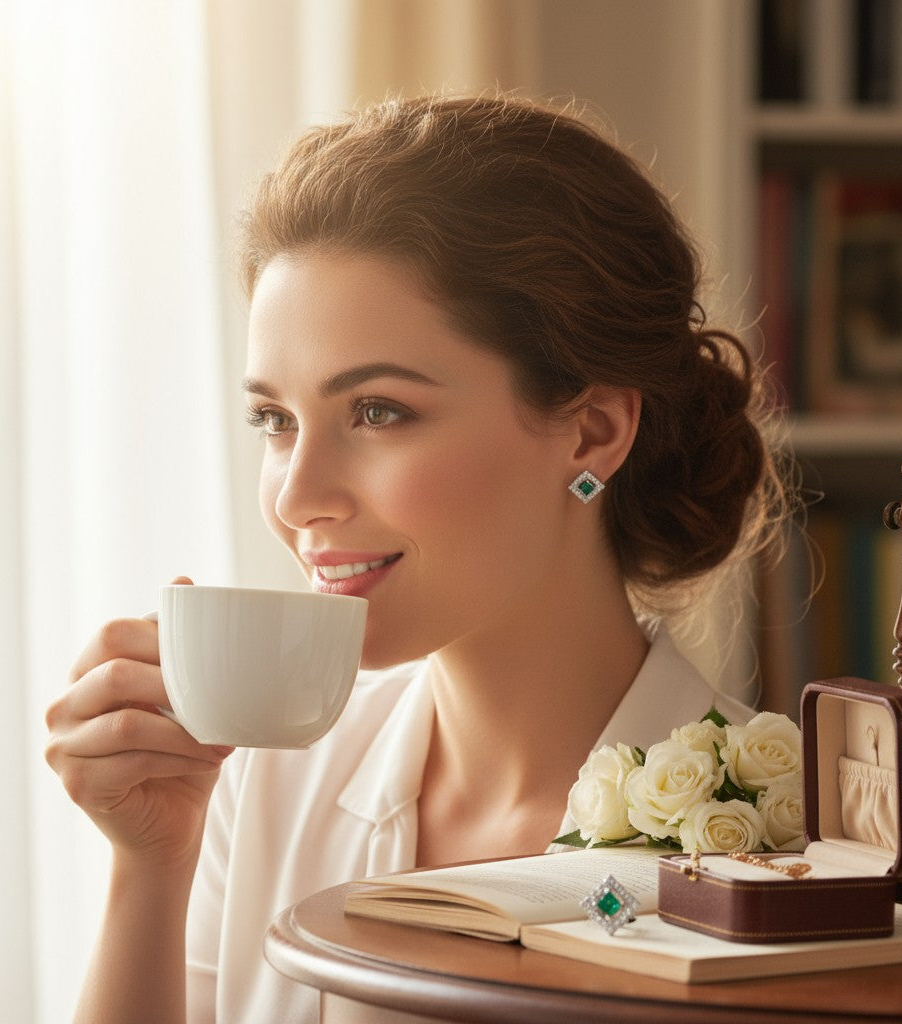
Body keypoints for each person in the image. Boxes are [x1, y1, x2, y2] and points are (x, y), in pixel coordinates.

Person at [45, 93, 788, 1022]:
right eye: (275, 419)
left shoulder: (791, 847)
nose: (296, 497)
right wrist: (149, 867)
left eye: (377, 412)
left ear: (592, 432)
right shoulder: (267, 785)